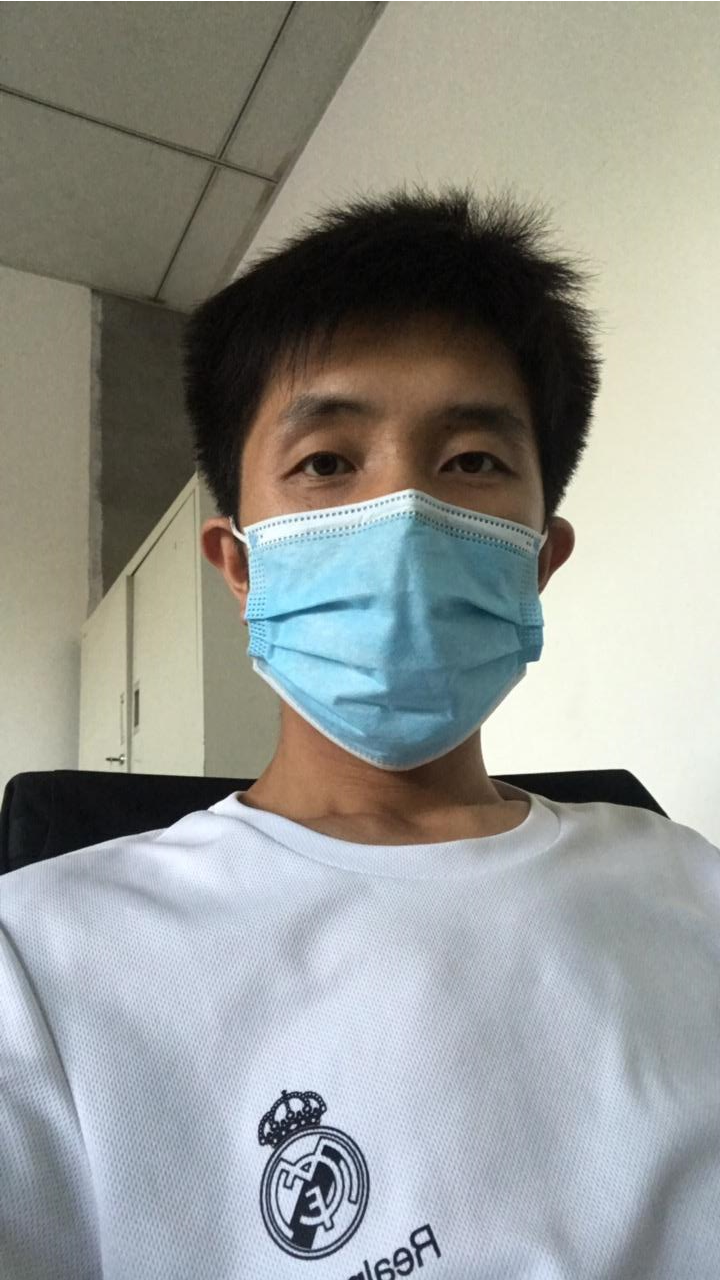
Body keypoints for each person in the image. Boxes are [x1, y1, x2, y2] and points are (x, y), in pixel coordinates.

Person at [1, 184, 718, 1279]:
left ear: (538, 562)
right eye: (328, 462)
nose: (405, 518)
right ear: (240, 567)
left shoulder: (689, 883)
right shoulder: (42, 967)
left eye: (471, 461)